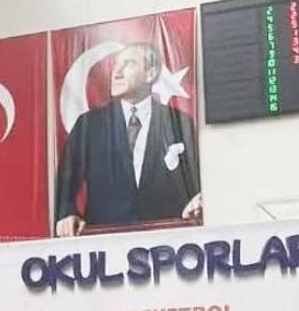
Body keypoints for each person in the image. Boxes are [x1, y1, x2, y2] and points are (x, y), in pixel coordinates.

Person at [54, 42, 201, 236]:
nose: (116, 72)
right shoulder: (89, 125)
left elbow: (198, 185)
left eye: (128, 64)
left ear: (150, 74)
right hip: (105, 241)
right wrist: (67, 215)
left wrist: (199, 201)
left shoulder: (178, 123)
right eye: (116, 65)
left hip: (166, 242)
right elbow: (64, 186)